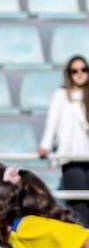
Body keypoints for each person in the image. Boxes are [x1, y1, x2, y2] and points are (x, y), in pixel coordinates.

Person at [38, 56, 89, 225]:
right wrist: (45, 145)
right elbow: (52, 122)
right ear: (69, 73)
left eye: (84, 70)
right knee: (78, 205)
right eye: (75, 71)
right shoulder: (60, 95)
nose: (80, 74)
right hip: (71, 156)